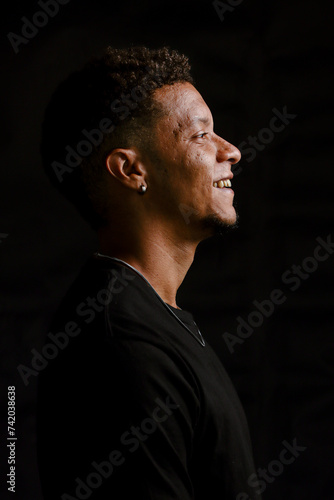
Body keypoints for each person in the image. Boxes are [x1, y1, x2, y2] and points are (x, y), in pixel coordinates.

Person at [36, 46, 261, 500]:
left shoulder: (155, 319)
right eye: (201, 136)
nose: (232, 151)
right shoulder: (121, 344)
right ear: (131, 169)